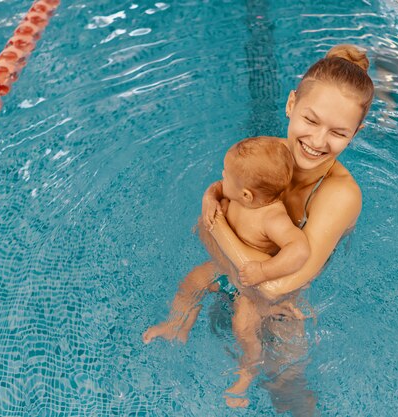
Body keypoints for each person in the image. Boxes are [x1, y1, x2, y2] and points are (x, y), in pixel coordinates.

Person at [146, 44, 374, 413]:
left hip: (283, 307)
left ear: (356, 132)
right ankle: (178, 325)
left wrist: (219, 229)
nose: (317, 142)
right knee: (202, 295)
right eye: (310, 120)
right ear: (290, 105)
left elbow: (273, 288)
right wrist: (212, 201)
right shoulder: (265, 157)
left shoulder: (339, 195)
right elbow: (200, 227)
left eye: (338, 133)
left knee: (286, 385)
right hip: (240, 276)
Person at [145, 136, 310, 407]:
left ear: (246, 195)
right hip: (227, 270)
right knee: (192, 282)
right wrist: (211, 197)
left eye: (226, 174)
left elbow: (299, 250)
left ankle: (247, 371)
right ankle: (177, 325)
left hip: (250, 287)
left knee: (243, 326)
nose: (221, 177)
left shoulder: (272, 217)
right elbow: (218, 187)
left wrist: (264, 270)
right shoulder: (241, 192)